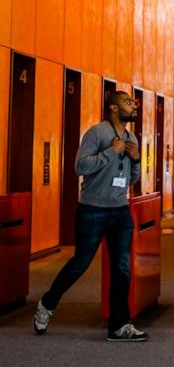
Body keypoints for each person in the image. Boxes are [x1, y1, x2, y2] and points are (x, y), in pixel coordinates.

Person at [33, 91, 149, 342]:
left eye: (133, 102)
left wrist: (136, 160)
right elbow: (79, 166)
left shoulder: (131, 137)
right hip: (93, 210)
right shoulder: (97, 133)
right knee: (80, 264)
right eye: (128, 102)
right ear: (114, 108)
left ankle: (119, 325)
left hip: (120, 210)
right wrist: (110, 152)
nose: (134, 106)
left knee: (122, 269)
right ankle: (47, 303)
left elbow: (129, 179)